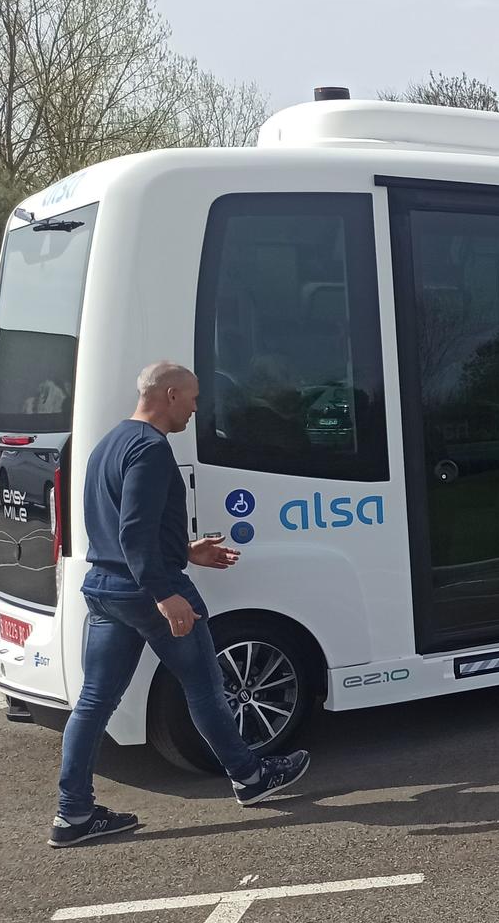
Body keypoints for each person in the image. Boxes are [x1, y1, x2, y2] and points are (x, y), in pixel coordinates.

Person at [50, 362, 310, 847]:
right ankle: (250, 777)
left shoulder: (109, 444)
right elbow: (133, 532)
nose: (195, 408)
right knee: (205, 688)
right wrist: (166, 592)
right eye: (192, 398)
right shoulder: (150, 450)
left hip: (107, 590)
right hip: (148, 591)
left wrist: (187, 550)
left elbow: (117, 528)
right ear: (170, 394)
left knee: (93, 703)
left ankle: (73, 815)